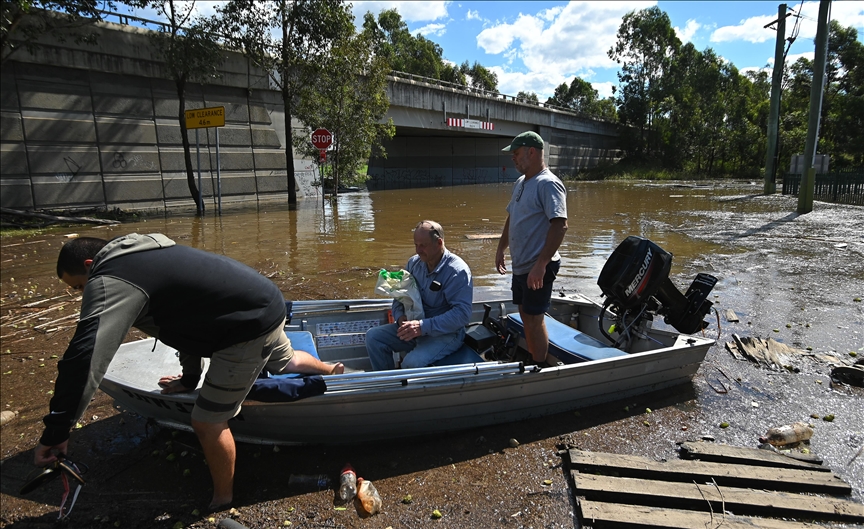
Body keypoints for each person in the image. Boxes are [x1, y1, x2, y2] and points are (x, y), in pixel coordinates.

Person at [34, 233, 342, 511]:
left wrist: (58, 430)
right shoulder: (145, 252)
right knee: (284, 360)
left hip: (245, 328)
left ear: (91, 265)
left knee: (206, 420)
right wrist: (190, 379)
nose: (81, 294)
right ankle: (333, 369)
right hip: (264, 302)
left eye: (78, 286)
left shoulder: (111, 278)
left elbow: (85, 356)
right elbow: (189, 322)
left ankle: (222, 499)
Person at [496, 131, 568, 365]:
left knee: (534, 318)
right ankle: (537, 358)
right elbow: (512, 218)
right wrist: (501, 249)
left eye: (516, 154)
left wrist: (541, 264)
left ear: (532, 152)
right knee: (526, 314)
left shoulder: (548, 184)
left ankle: (538, 367)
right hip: (522, 265)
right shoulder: (520, 182)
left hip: (537, 265)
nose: (513, 158)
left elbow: (560, 225)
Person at [366, 220, 473, 370]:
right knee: (373, 337)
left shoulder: (457, 271)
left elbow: (462, 315)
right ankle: (388, 385)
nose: (418, 250)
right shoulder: (414, 263)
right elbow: (400, 295)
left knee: (411, 363)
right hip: (414, 328)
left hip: (445, 334)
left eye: (423, 245)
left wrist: (422, 327)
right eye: (416, 245)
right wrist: (400, 317)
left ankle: (404, 388)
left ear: (439, 243)